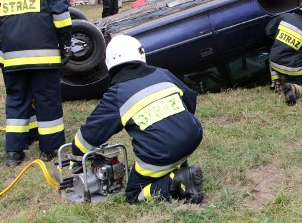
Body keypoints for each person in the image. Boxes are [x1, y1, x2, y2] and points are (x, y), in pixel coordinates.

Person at [71, 35, 204, 203]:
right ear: (140, 54)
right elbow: (190, 100)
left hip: (161, 153)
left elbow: (89, 136)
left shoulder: (117, 94)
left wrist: (75, 157)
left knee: (133, 194)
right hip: (193, 137)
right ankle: (178, 169)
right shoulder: (163, 73)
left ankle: (175, 182)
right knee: (169, 149)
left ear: (109, 64)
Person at [0, 0, 72, 166]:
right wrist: (66, 44)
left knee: (16, 100)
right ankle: (50, 150)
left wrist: (1, 57)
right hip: (43, 56)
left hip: (13, 58)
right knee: (47, 100)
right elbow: (60, 14)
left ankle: (13, 153)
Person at [265, 0, 302, 106]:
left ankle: (276, 82)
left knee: (275, 53)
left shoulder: (286, 17)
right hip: (292, 68)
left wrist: (280, 40)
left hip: (273, 61)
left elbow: (268, 31)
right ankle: (293, 88)